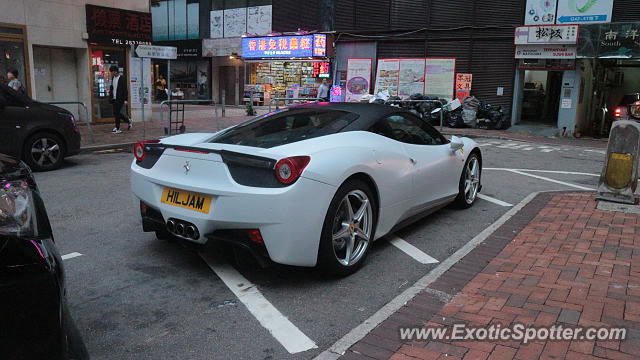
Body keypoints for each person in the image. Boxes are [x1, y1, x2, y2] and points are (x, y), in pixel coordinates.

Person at [108, 65, 131, 134]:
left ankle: (117, 128)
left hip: (120, 98)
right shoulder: (113, 78)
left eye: (112, 72)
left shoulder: (122, 78)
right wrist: (110, 96)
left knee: (117, 113)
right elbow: (112, 88)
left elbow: (125, 89)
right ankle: (128, 121)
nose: (111, 73)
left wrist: (126, 99)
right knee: (116, 113)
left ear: (115, 71)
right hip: (114, 98)